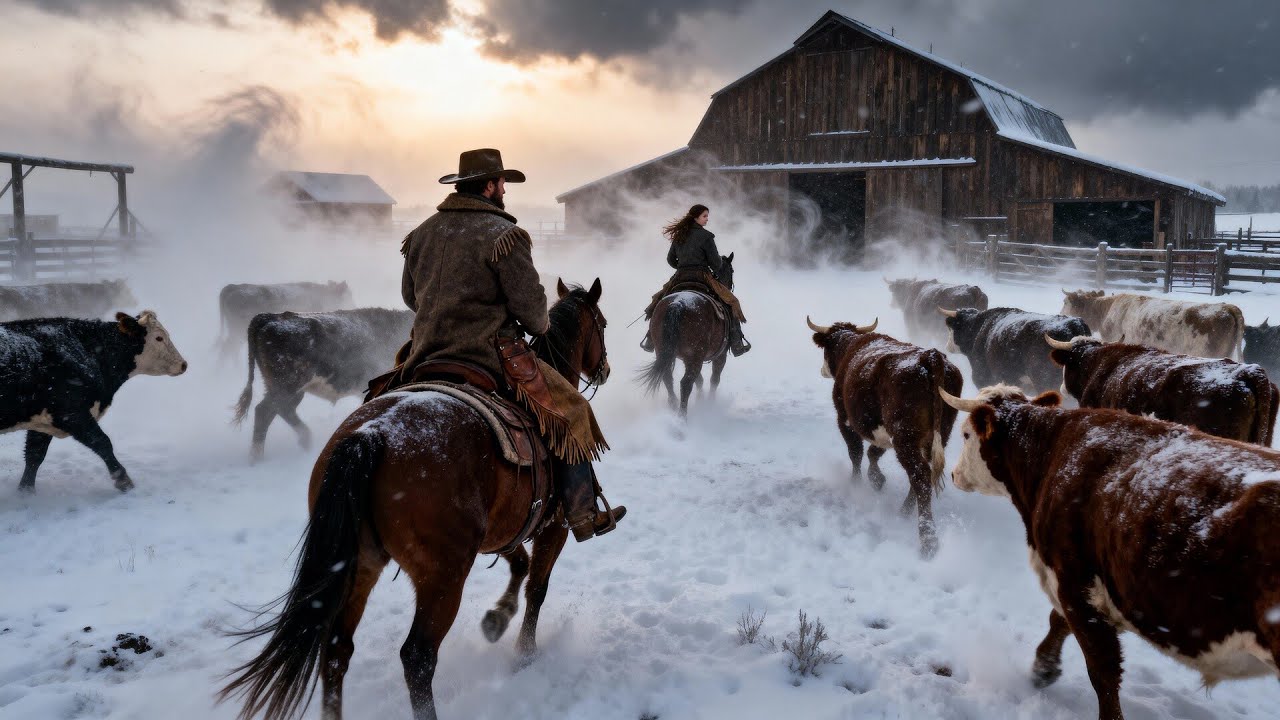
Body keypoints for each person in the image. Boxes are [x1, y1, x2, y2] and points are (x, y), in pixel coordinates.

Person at [398, 148, 624, 541]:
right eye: (502, 182)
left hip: (426, 353)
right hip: (490, 356)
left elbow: (409, 296)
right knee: (572, 412)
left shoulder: (421, 234)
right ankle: (583, 514)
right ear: (489, 186)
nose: (505, 189)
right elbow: (535, 316)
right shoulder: (505, 236)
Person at [641, 204, 750, 356]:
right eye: (704, 216)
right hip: (702, 276)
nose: (707, 219)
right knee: (732, 302)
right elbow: (716, 264)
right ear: (696, 217)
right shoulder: (707, 236)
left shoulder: (679, 235)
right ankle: (737, 344)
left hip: (680, 276)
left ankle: (650, 339)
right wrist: (712, 263)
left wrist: (683, 266)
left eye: (707, 216)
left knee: (659, 299)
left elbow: (670, 259)